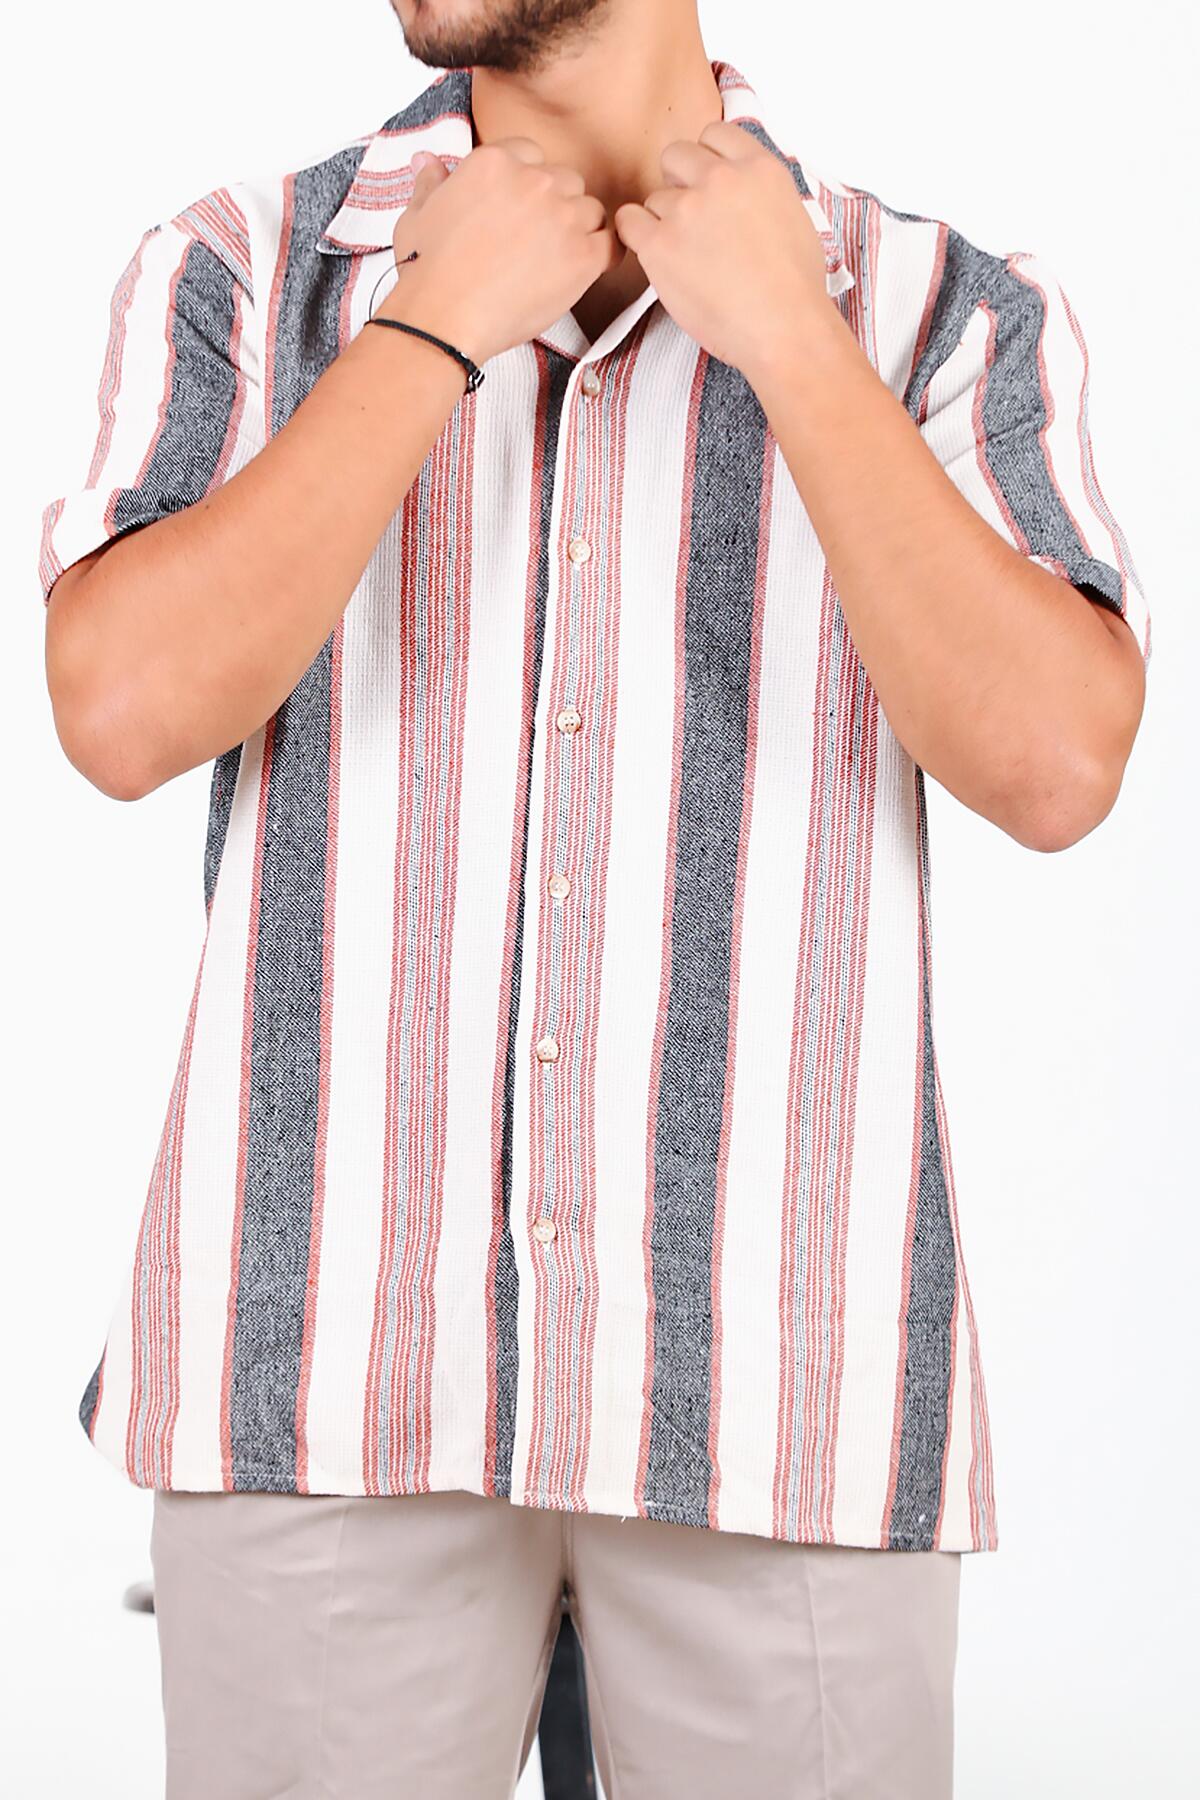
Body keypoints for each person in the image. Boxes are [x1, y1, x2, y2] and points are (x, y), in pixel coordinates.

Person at [37, 0, 1150, 1791]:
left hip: (781, 1388)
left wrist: (794, 339)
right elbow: (119, 713)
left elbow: (1054, 766)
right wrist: (424, 333)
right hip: (324, 1365)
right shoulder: (243, 268)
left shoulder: (936, 306)